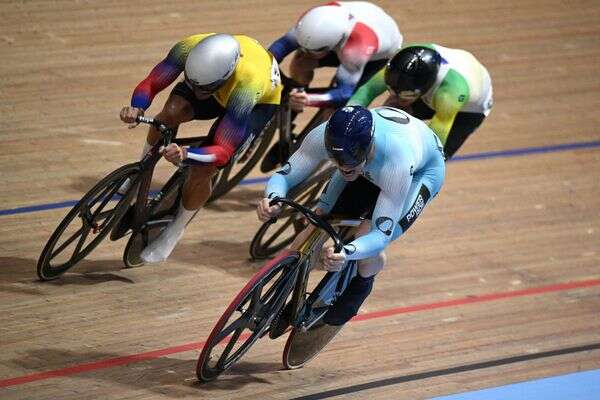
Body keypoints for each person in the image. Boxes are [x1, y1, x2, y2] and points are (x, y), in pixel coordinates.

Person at [256, 105, 445, 343]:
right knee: (318, 219)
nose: (344, 167)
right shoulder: (324, 136)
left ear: (367, 146)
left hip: (421, 173)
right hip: (368, 166)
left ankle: (362, 284)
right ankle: (283, 289)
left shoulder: (397, 161)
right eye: (337, 160)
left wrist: (346, 252)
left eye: (349, 161)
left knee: (366, 232)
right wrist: (272, 199)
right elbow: (285, 175)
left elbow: (380, 235)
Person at [119, 33, 282, 263]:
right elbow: (152, 82)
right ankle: (140, 173)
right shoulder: (188, 48)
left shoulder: (246, 86)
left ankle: (176, 229)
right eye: (192, 84)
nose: (196, 94)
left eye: (201, 90)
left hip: (257, 103)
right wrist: (137, 107)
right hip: (214, 84)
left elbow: (222, 151)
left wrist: (187, 154)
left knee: (203, 170)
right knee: (168, 115)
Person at [261, 1, 402, 171]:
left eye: (313, 50)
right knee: (300, 64)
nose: (306, 51)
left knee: (335, 111)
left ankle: (308, 153)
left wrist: (309, 99)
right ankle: (290, 116)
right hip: (350, 32)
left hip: (375, 58)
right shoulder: (311, 21)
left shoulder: (356, 49)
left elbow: (344, 92)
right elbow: (281, 46)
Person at [348, 44, 493, 158]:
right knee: (389, 112)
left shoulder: (450, 93)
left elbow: (433, 147)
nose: (397, 97)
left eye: (405, 94)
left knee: (434, 162)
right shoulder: (404, 60)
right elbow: (367, 90)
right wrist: (348, 120)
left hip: (468, 111)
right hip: (435, 85)